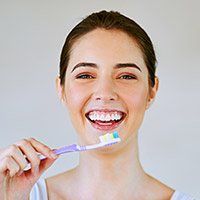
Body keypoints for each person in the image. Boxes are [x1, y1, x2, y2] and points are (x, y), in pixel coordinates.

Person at [0, 10, 195, 200]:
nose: (105, 93)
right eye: (85, 75)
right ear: (61, 89)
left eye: (126, 76)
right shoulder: (18, 195)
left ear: (152, 90)